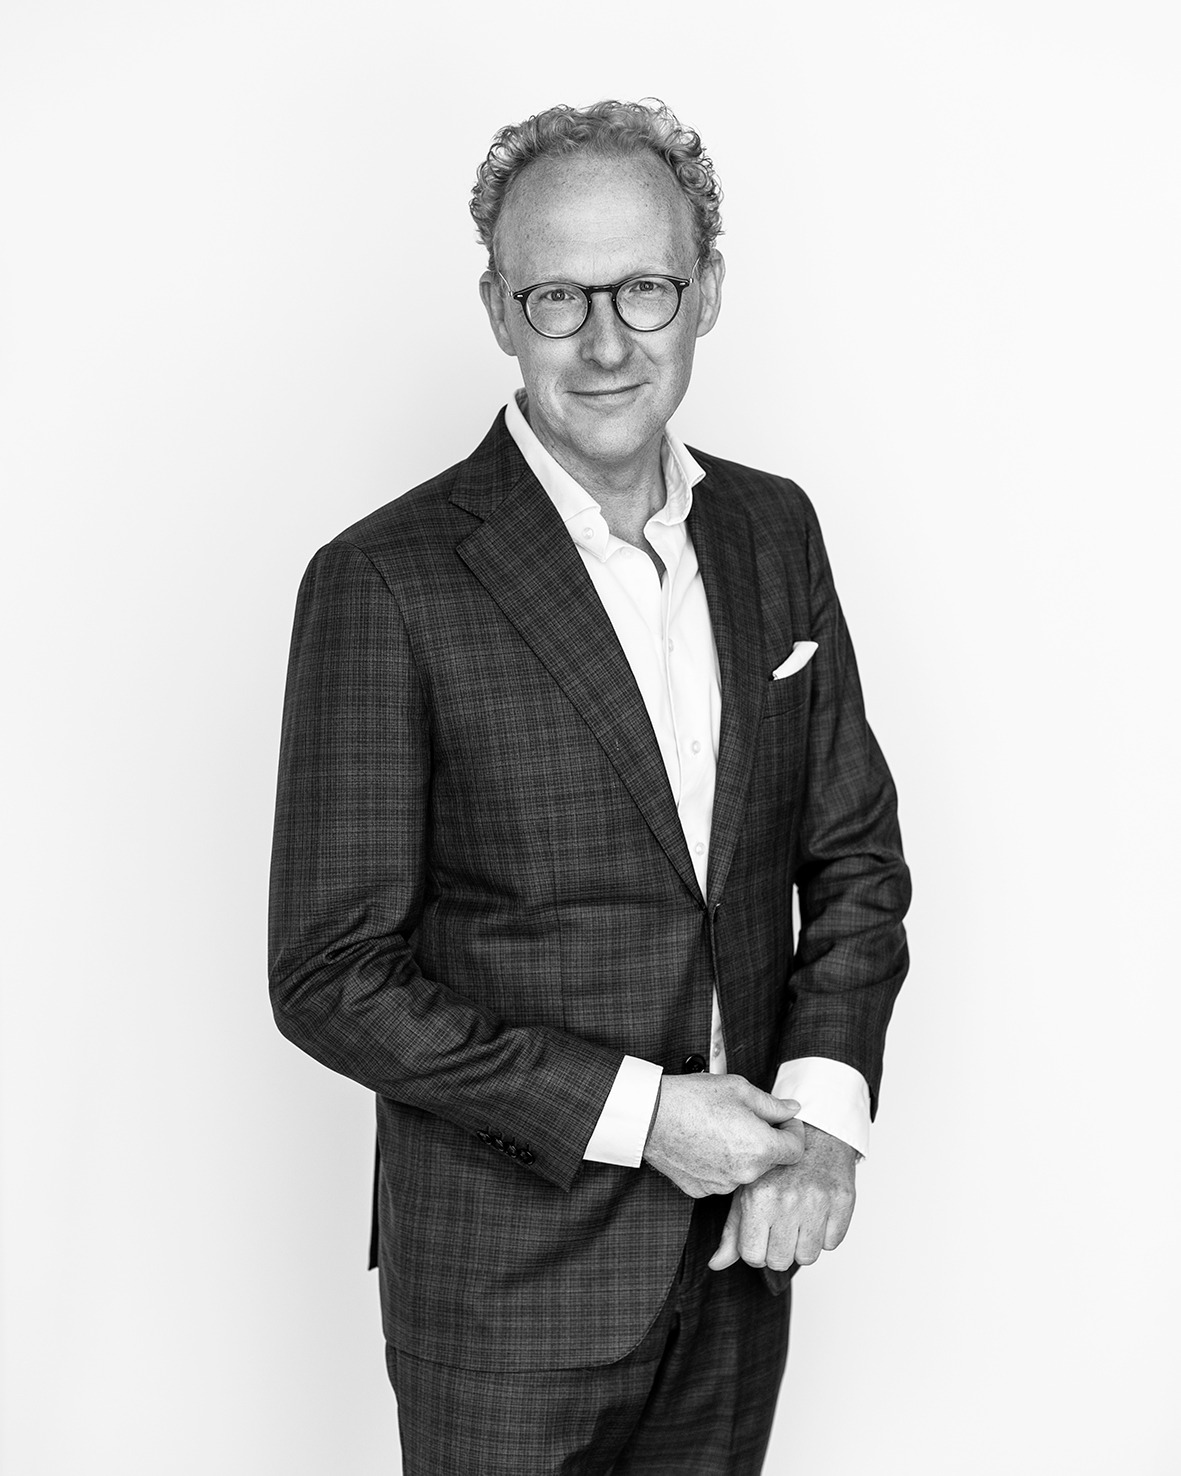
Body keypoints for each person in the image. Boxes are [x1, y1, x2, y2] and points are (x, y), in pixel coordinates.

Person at [268, 98, 910, 1476]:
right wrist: (643, 1116)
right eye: (558, 296)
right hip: (507, 1292)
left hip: (738, 1263)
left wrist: (820, 1126)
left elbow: (853, 856)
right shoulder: (385, 581)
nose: (608, 342)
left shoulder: (773, 529)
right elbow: (330, 973)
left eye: (645, 287)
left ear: (707, 291)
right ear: (498, 311)